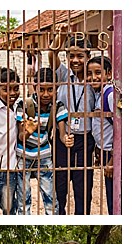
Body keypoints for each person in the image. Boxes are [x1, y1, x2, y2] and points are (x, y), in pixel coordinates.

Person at [49, 32, 96, 215]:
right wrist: (58, 40)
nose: (75, 60)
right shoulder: (63, 75)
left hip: (85, 139)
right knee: (60, 185)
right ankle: (59, 214)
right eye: (71, 56)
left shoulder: (94, 79)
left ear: (88, 57)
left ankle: (81, 215)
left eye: (80, 56)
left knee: (82, 185)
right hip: (62, 138)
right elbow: (52, 55)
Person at [15, 68, 73, 215]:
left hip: (44, 156)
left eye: (50, 89)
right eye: (42, 90)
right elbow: (21, 136)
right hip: (23, 156)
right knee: (24, 198)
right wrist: (28, 132)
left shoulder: (58, 106)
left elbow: (61, 134)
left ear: (56, 88)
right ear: (35, 87)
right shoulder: (25, 105)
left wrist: (66, 139)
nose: (46, 94)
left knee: (50, 199)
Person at [87, 55, 115, 215]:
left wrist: (112, 159)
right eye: (89, 74)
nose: (93, 78)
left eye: (98, 72)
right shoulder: (99, 93)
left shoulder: (110, 95)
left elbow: (122, 130)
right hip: (104, 152)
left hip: (113, 155)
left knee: (114, 195)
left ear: (109, 73)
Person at [0, 67, 21, 215]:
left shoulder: (20, 108)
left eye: (16, 88)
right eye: (6, 89)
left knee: (8, 209)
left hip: (10, 169)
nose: (12, 93)